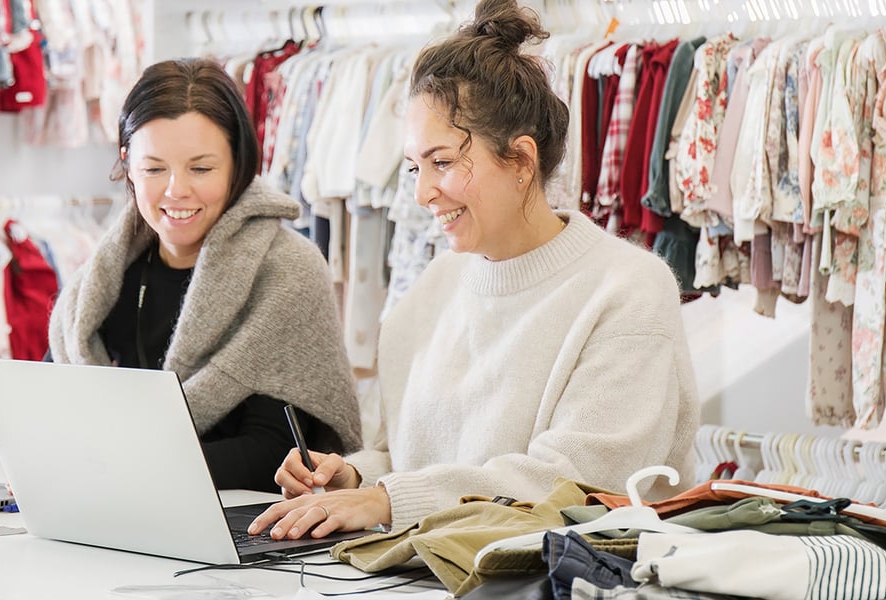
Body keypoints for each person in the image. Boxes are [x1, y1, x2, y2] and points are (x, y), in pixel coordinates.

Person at [249, 0, 700, 540]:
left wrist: (384, 500)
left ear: (521, 160)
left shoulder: (628, 292)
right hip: (425, 576)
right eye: (416, 167)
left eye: (442, 163)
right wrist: (351, 476)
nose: (421, 192)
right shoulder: (431, 291)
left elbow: (576, 487)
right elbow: (410, 461)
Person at [46, 59, 361, 492]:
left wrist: (117, 467)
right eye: (155, 168)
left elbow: (277, 452)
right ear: (127, 163)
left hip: (237, 531)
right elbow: (49, 409)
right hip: (105, 510)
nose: (176, 190)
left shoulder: (288, 271)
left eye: (201, 168)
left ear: (238, 162)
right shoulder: (102, 276)